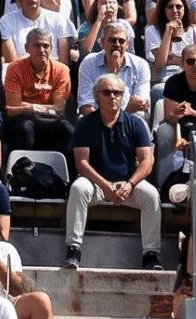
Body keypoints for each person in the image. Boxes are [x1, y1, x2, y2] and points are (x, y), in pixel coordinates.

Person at [64, 77, 159, 269]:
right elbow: (81, 162)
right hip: (96, 185)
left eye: (117, 93)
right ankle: (73, 249)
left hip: (127, 185)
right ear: (97, 96)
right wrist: (105, 186)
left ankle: (151, 254)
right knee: (78, 188)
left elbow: (147, 161)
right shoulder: (85, 123)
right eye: (106, 92)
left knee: (151, 196)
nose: (112, 97)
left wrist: (130, 184)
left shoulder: (137, 123)